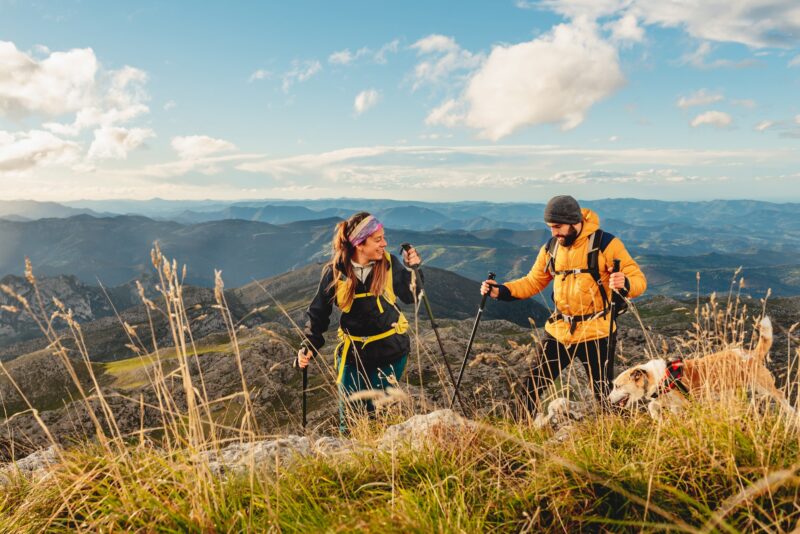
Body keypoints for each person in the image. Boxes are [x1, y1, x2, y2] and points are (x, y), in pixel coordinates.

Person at [480, 195, 646, 415]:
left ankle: (615, 437)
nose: (554, 233)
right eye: (550, 227)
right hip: (560, 330)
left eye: (558, 227)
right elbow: (533, 281)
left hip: (597, 332)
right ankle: (523, 436)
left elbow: (639, 280)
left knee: (604, 394)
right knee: (529, 388)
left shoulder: (606, 244)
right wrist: (501, 291)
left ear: (574, 221)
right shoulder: (551, 248)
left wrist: (625, 283)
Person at [297, 212, 421, 433]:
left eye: (383, 237)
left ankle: (379, 463)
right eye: (378, 239)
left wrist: (414, 270)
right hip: (353, 355)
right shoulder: (336, 271)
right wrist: (308, 346)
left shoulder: (390, 264)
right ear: (359, 244)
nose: (385, 243)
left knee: (378, 416)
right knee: (351, 421)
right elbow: (319, 313)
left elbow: (413, 296)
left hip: (390, 351)